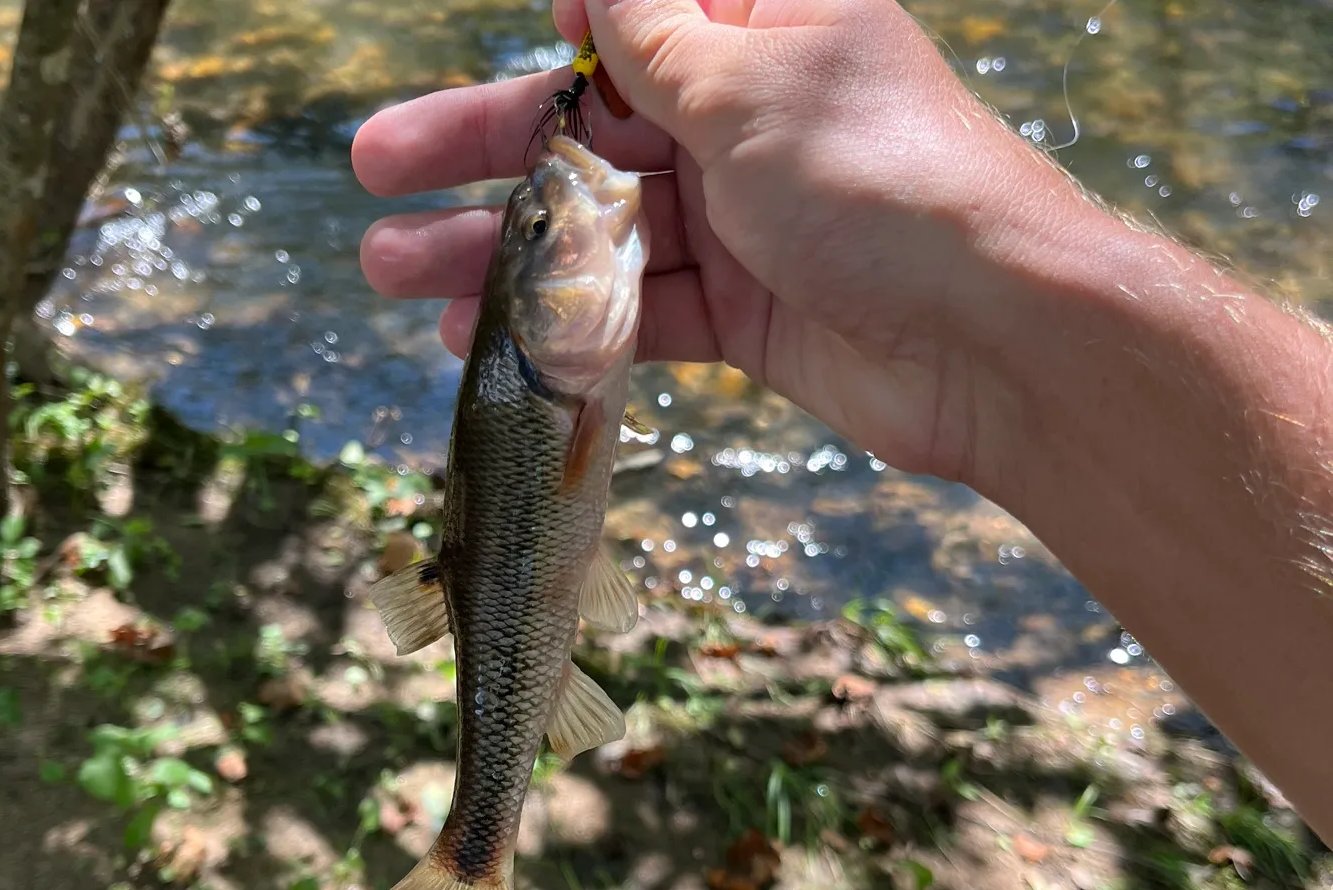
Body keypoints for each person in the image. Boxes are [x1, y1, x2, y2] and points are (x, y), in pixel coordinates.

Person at [353, 0, 1333, 845]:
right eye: (540, 237)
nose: (554, 217)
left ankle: (475, 840)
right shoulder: (547, 370)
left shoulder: (558, 357)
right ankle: (479, 843)